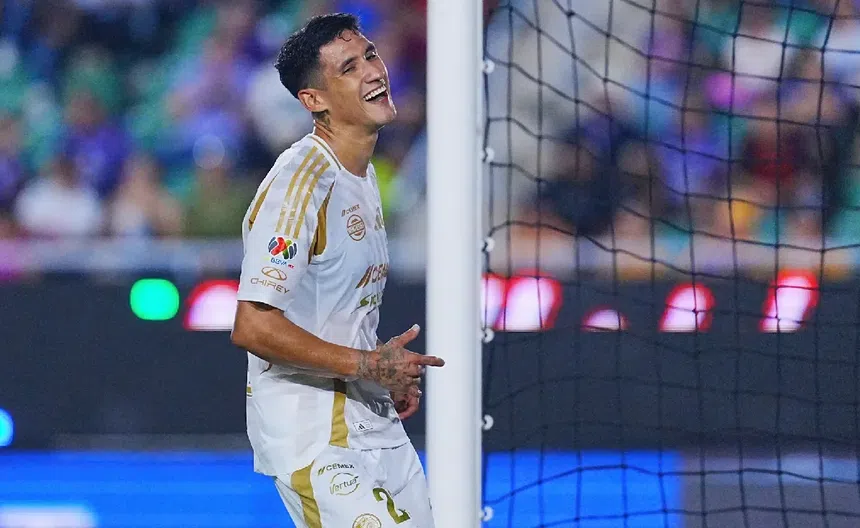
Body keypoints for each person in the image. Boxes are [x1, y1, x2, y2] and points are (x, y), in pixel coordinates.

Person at [230, 13, 444, 528]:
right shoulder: (300, 183)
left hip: (371, 420)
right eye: (349, 68)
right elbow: (253, 326)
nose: (373, 71)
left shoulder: (362, 175)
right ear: (314, 100)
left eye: (370, 55)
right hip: (313, 436)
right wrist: (368, 364)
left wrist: (381, 371)